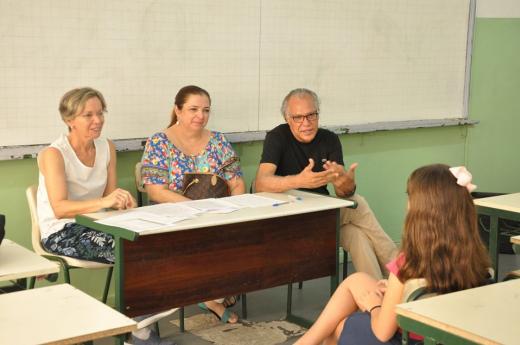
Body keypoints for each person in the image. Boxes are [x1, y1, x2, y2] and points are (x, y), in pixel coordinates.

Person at [294, 164, 492, 345]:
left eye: (409, 197)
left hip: (410, 338)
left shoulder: (408, 263)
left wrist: (373, 306)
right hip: (446, 335)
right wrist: (395, 290)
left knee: (340, 326)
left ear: (421, 212)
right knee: (357, 280)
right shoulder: (477, 257)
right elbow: (431, 288)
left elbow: (382, 332)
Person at [37, 87, 173, 345]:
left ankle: (137, 323)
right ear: (69, 120)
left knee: (154, 243)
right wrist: (105, 201)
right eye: (88, 115)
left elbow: (110, 198)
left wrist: (122, 201)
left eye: (100, 113)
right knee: (128, 250)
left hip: (97, 224)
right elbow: (60, 208)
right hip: (61, 230)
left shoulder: (106, 147)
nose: (97, 120)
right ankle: (139, 332)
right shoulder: (54, 154)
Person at [255, 88, 397, 279]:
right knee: (359, 204)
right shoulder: (277, 137)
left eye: (311, 115)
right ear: (287, 119)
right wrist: (299, 180)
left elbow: (344, 193)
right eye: (298, 117)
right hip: (287, 220)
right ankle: (403, 274)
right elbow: (260, 184)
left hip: (320, 216)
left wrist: (345, 183)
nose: (306, 123)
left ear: (318, 114)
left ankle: (379, 296)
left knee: (357, 235)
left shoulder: (329, 139)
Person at [140, 85, 245, 324]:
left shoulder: (217, 140)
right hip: (175, 218)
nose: (201, 115)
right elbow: (156, 191)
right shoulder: (158, 142)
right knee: (201, 242)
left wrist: (235, 210)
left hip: (216, 215)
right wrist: (196, 208)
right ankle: (210, 297)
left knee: (245, 236)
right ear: (177, 110)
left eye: (206, 110)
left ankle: (211, 293)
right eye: (193, 109)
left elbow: (237, 182)